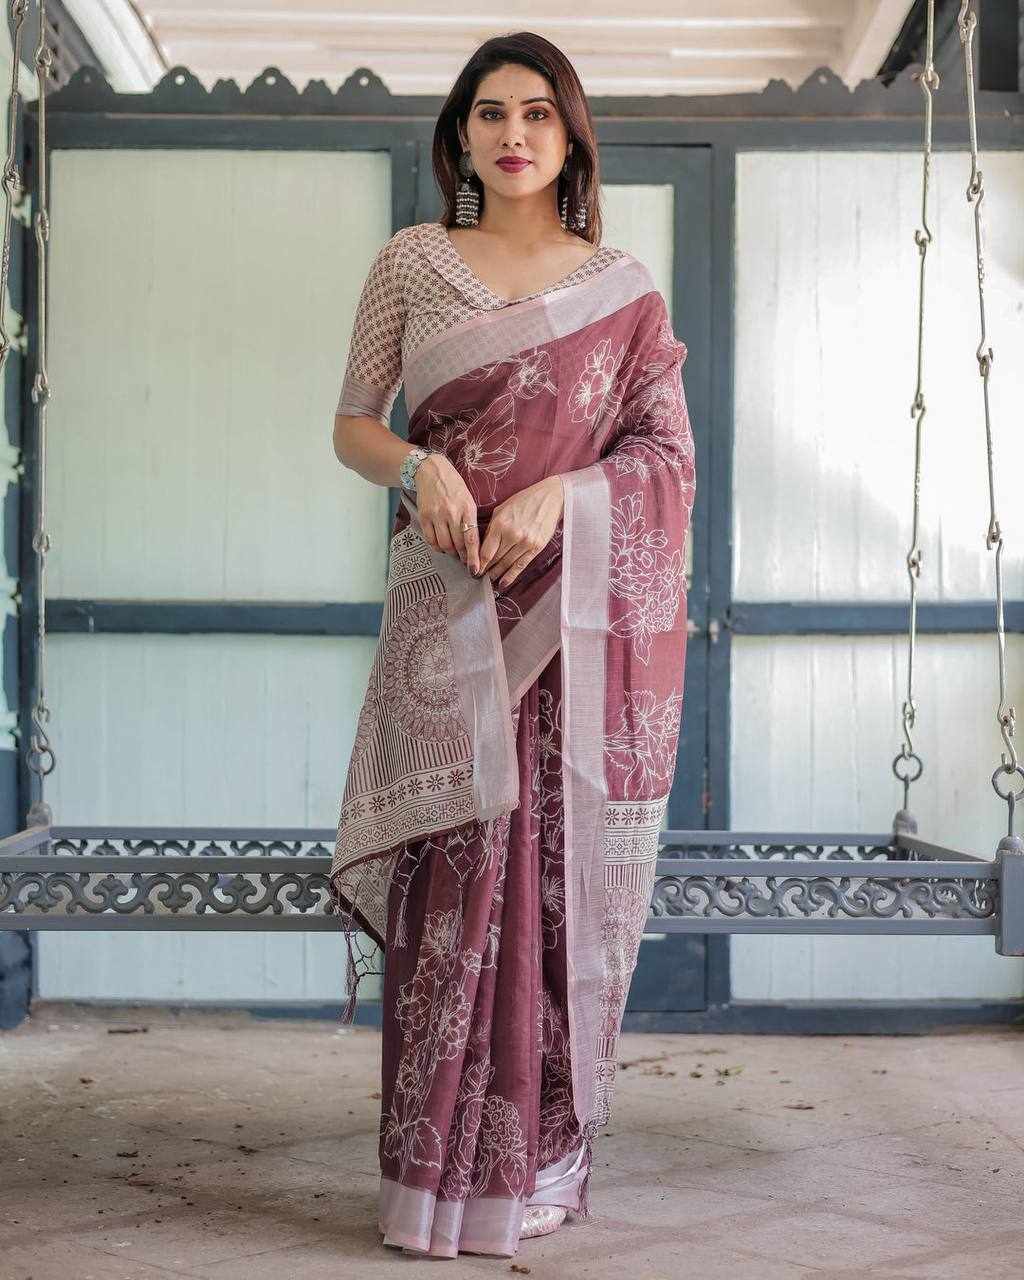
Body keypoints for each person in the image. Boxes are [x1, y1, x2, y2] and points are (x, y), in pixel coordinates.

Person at [327, 29, 696, 1261]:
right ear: (460, 136)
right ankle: (433, 1178)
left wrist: (566, 496)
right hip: (447, 614)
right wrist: (419, 465)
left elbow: (665, 454)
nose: (514, 133)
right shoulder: (411, 262)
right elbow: (352, 425)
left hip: (573, 637)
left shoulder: (622, 290)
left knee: (547, 882)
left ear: (571, 137)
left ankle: (533, 1163)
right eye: (490, 112)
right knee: (450, 887)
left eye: (538, 112)